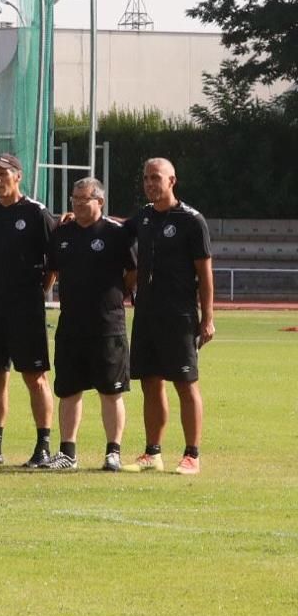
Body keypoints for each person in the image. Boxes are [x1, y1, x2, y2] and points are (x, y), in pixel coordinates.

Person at [122, 158, 214, 475]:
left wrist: (208, 317)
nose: (150, 183)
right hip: (146, 314)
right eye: (146, 178)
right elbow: (118, 227)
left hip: (179, 315)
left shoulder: (192, 220)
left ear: (172, 181)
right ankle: (153, 453)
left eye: (156, 178)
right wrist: (82, 215)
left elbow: (205, 273)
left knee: (185, 384)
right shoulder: (144, 217)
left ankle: (192, 455)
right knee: (150, 383)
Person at [0, 153, 58, 467]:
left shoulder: (36, 212)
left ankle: (43, 447)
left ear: (18, 176)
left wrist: (36, 294)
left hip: (25, 309)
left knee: (35, 376)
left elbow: (53, 263)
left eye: (3, 174)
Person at [45, 178, 136, 471]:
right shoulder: (62, 233)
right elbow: (52, 270)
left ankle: (113, 452)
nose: (77, 204)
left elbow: (133, 271)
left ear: (100, 201)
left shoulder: (116, 233)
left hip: (107, 325)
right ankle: (67, 453)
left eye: (83, 199)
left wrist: (117, 295)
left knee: (110, 391)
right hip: (71, 324)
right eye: (74, 198)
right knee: (68, 390)